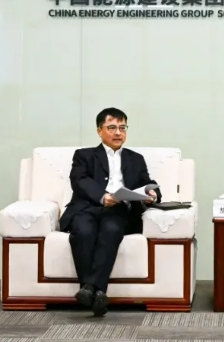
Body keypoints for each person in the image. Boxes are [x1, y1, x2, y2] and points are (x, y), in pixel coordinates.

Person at [59, 107, 161, 316]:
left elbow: (146, 182)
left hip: (119, 211)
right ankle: (98, 293)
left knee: (111, 229)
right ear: (99, 131)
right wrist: (103, 196)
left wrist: (153, 193)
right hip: (87, 208)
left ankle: (89, 289)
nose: (118, 133)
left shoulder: (135, 158)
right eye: (112, 127)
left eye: (122, 128)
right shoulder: (84, 155)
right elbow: (80, 181)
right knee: (84, 232)